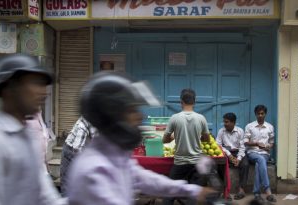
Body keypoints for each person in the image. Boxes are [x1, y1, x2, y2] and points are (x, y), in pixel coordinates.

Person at [67, 72, 215, 205]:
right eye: (132, 110)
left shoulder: (117, 157)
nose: (140, 117)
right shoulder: (93, 170)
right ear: (111, 115)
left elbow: (145, 179)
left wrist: (193, 191)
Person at [0, 54, 65, 205]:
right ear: (10, 89)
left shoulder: (28, 136)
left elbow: (46, 196)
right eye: (35, 83)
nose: (44, 92)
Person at [162, 88, 211, 205]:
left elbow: (164, 140)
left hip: (180, 162)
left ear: (181, 102)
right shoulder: (201, 118)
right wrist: (197, 136)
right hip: (196, 163)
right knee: (194, 196)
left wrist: (173, 137)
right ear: (194, 102)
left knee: (169, 194)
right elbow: (207, 139)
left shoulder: (175, 118)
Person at [244, 105, 276, 203]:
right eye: (258, 113)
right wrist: (256, 143)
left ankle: (257, 193)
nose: (260, 115)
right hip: (252, 152)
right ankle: (268, 190)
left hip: (264, 153)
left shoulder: (270, 127)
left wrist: (268, 147)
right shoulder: (250, 126)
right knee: (260, 160)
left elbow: (272, 142)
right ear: (255, 114)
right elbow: (245, 142)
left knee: (259, 163)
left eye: (262, 113)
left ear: (265, 114)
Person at [216, 112, 249, 200]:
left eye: (227, 122)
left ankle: (241, 189)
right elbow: (218, 146)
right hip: (226, 152)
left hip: (238, 152)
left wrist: (238, 159)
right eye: (224, 122)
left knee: (245, 164)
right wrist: (229, 155)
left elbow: (242, 147)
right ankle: (224, 191)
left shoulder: (240, 131)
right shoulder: (221, 131)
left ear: (233, 122)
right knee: (219, 163)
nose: (225, 124)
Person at [60, 116, 96, 196]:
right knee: (67, 184)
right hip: (70, 150)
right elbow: (76, 149)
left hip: (81, 150)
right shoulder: (82, 126)